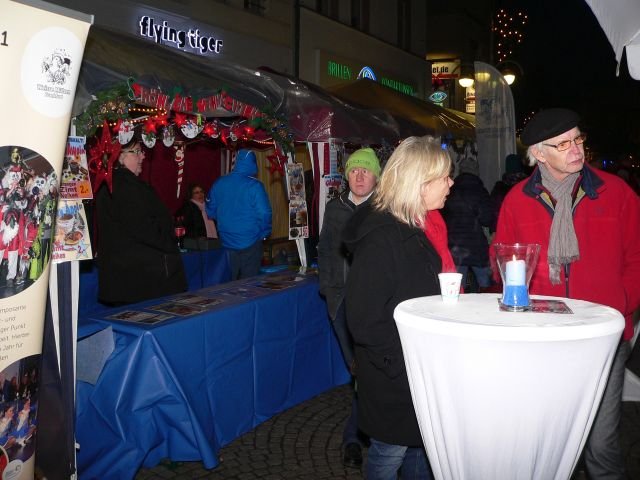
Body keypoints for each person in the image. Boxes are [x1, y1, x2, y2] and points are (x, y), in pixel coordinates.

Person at [492, 108, 640, 480]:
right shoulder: (516, 201)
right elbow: (502, 263)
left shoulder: (615, 191)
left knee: (601, 445)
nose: (576, 149)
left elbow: (637, 257)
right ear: (540, 154)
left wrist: (620, 304)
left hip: (603, 335)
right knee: (549, 440)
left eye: (578, 139)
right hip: (544, 339)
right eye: (564, 144)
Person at [344, 136, 454, 479]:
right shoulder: (383, 237)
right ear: (419, 184)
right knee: (388, 454)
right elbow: (363, 319)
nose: (451, 183)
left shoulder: (421, 227)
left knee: (421, 448)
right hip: (396, 372)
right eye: (444, 177)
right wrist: (401, 365)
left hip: (419, 366)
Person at [317, 147, 381, 468]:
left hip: (372, 303)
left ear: (376, 176)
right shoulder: (335, 208)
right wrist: (329, 292)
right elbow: (326, 250)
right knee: (358, 367)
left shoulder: (384, 210)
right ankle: (362, 433)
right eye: (354, 170)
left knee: (365, 369)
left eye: (365, 170)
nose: (358, 175)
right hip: (341, 300)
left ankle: (354, 438)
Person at [96, 138, 187, 305]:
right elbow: (142, 228)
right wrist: (169, 242)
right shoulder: (124, 187)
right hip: (140, 279)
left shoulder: (116, 185)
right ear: (120, 157)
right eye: (137, 151)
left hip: (131, 279)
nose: (142, 157)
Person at [206, 149, 272, 280]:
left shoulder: (219, 183)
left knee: (228, 284)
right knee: (249, 285)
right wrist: (264, 232)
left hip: (226, 242)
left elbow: (210, 210)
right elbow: (264, 213)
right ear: (253, 164)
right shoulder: (254, 186)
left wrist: (224, 221)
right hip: (251, 241)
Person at [442, 156, 495, 291]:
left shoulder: (449, 191)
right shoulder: (480, 191)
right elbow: (487, 219)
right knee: (485, 288)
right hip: (477, 246)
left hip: (455, 246)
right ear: (476, 171)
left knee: (457, 289)